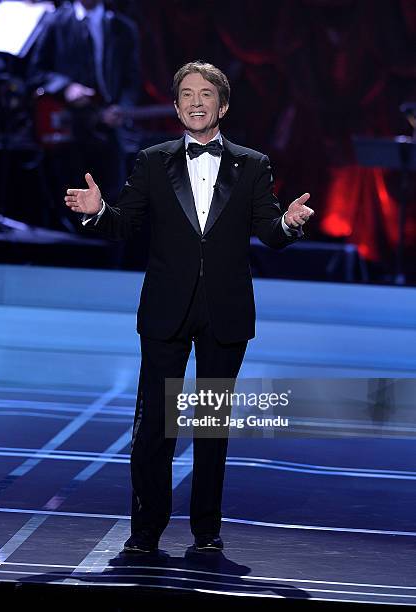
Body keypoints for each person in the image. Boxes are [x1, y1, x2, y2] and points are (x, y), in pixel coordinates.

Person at [65, 61, 314, 553]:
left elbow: (269, 233)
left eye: (206, 94)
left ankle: (206, 531)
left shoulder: (252, 164)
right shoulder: (153, 161)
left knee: (210, 428)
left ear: (222, 106)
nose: (195, 101)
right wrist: (98, 215)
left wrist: (288, 222)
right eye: (185, 94)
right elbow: (124, 224)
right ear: (176, 106)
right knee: (154, 426)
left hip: (225, 312)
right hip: (165, 309)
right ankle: (145, 530)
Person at [28, 0, 140, 223]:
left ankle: (109, 254)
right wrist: (66, 87)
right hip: (68, 128)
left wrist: (121, 109)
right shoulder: (56, 22)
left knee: (112, 201)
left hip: (106, 129)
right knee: (68, 201)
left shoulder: (122, 28)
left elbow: (132, 80)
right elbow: (35, 72)